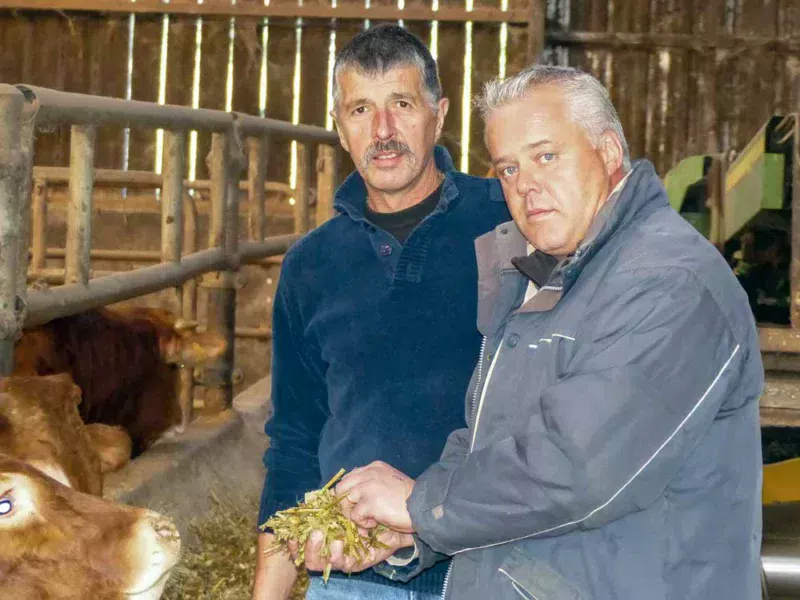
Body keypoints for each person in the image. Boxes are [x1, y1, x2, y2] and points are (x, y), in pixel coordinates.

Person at [334, 65, 764, 599]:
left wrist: (421, 505)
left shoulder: (668, 283)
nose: (526, 185)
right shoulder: (545, 271)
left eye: (546, 156)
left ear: (607, 153)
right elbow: (493, 439)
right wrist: (415, 527)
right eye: (508, 169)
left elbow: (578, 467)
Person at [251, 24, 510, 600]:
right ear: (340, 127)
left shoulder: (510, 223)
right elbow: (295, 434)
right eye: (361, 109)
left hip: (492, 569)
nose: (383, 131)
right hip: (355, 579)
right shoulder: (310, 265)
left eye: (401, 104)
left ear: (438, 114)